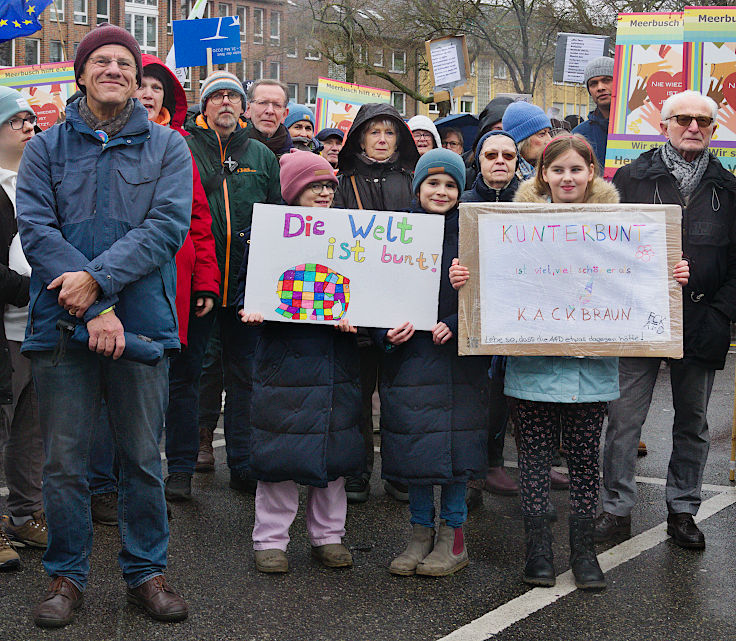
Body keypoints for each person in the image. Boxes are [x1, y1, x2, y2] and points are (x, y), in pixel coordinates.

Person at [16, 23, 191, 626]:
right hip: (60, 333)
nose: (114, 70)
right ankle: (67, 577)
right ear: (81, 74)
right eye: (102, 62)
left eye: (125, 64)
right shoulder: (43, 149)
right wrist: (94, 308)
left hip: (142, 331)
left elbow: (165, 229)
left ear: (138, 79)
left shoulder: (169, 148)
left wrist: (97, 287)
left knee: (142, 459)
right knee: (64, 463)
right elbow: (38, 233)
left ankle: (147, 574)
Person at [452, 134, 625, 591]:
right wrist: (465, 274)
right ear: (542, 175)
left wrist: (673, 272)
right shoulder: (516, 223)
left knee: (586, 464)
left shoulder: (622, 224)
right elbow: (490, 277)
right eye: (557, 170)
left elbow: (641, 277)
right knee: (532, 462)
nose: (567, 178)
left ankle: (584, 555)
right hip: (532, 371)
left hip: (592, 372)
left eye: (576, 169)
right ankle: (539, 554)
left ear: (592, 173)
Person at [595, 90, 733, 550]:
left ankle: (683, 510)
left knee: (692, 422)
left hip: (702, 321)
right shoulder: (631, 179)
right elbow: (603, 248)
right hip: (639, 319)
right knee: (623, 420)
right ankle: (616, 508)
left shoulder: (727, 186)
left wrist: (720, 313)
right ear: (664, 125)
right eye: (683, 119)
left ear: (715, 130)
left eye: (703, 121)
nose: (693, 127)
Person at [87, 55, 221, 506]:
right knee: (110, 380)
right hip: (110, 281)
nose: (146, 93)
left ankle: (179, 468)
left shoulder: (177, 146)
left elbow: (196, 219)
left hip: (173, 281)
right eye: (140, 85)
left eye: (156, 88)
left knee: (179, 378)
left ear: (167, 98)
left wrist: (205, 280)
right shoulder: (92, 142)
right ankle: (105, 482)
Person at [236, 151, 363, 573]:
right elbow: (242, 287)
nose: (325, 191)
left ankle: (329, 536)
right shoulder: (267, 235)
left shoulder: (352, 234)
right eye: (315, 185)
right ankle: (270, 540)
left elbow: (369, 289)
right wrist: (251, 307)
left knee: (334, 452)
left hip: (335, 361)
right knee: (279, 451)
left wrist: (358, 317)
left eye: (329, 184)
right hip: (284, 359)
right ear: (292, 191)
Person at [379, 148, 488, 577]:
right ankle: (419, 533)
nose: (441, 191)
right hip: (409, 359)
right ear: (417, 186)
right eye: (433, 183)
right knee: (417, 450)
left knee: (457, 451)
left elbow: (492, 296)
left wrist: (456, 323)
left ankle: (454, 537)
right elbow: (376, 293)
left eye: (450, 185)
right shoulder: (395, 232)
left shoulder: (473, 233)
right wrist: (383, 333)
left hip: (460, 362)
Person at [184, 70, 281, 495]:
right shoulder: (183, 149)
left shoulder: (262, 156)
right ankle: (188, 458)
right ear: (203, 105)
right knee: (194, 373)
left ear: (243, 106)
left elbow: (280, 222)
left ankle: (242, 460)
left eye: (232, 96)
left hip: (247, 285)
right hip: (199, 284)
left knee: (245, 376)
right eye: (216, 95)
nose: (225, 102)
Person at [333, 103, 419, 504]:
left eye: (389, 132)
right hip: (357, 303)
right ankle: (356, 472)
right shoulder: (341, 182)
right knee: (356, 396)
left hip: (405, 301)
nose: (383, 139)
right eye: (374, 132)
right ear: (360, 138)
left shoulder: (414, 179)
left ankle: (401, 472)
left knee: (400, 395)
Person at [0, 88, 44, 571]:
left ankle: (24, 514)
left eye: (33, 121)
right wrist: (34, 289)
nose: (30, 128)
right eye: (18, 122)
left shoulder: (34, 181)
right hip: (7, 325)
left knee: (31, 430)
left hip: (35, 330)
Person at [463, 95, 514, 188]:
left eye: (508, 130)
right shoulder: (463, 165)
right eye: (497, 129)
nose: (502, 135)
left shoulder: (526, 172)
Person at [572, 56, 614, 168]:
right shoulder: (579, 136)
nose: (600, 87)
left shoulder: (639, 128)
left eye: (606, 80)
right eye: (593, 83)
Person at [502, 102, 552, 180]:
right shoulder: (503, 177)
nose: (549, 140)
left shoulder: (551, 170)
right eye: (542, 134)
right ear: (522, 141)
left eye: (549, 133)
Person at [244, 78, 293, 157]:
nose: (270, 111)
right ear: (248, 109)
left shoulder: (294, 158)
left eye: (277, 105)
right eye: (263, 103)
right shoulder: (229, 150)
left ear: (284, 114)